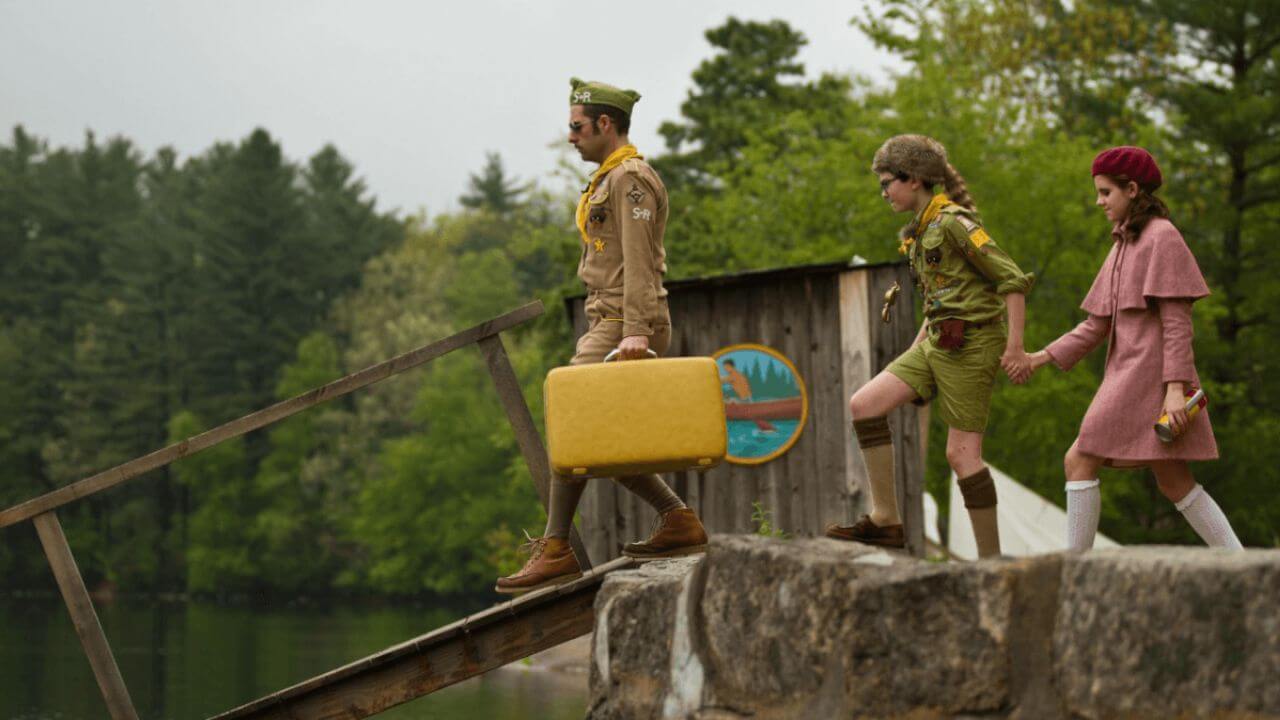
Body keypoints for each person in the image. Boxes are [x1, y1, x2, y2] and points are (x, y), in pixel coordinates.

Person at [495, 79, 709, 595]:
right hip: (607, 319)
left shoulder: (630, 179)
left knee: (575, 420)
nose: (571, 137)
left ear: (605, 125)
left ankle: (556, 548)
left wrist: (636, 330)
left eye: (577, 127)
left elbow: (639, 261)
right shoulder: (609, 181)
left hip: (624, 321)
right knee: (600, 436)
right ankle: (677, 520)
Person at [825, 135, 1034, 558]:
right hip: (938, 339)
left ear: (915, 179)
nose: (884, 192)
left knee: (961, 455)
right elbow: (938, 301)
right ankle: (885, 519)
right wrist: (914, 354)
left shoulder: (955, 224)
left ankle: (991, 562)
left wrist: (1015, 349)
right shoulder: (921, 231)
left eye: (887, 183)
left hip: (973, 343)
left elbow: (1012, 280)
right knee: (864, 404)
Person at [1025, 146, 1242, 551]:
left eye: (1106, 192)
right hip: (1129, 375)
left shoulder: (1163, 237)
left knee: (1079, 458)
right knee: (1174, 481)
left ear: (1132, 188)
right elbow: (1096, 324)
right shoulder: (1124, 242)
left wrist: (1175, 389)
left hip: (1149, 380)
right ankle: (1242, 563)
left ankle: (1077, 570)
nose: (1099, 201)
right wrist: (1039, 357)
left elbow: (1177, 323)